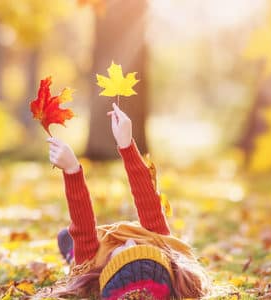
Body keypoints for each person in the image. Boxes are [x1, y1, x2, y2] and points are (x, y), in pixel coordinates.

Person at [36, 103, 211, 299]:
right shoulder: (161, 246)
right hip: (118, 242)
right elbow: (148, 202)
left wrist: (72, 170)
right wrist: (127, 145)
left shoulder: (92, 266)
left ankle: (67, 248)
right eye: (140, 248)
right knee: (81, 240)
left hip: (93, 253)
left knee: (72, 245)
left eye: (124, 253)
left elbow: (82, 225)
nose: (130, 242)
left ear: (108, 270)